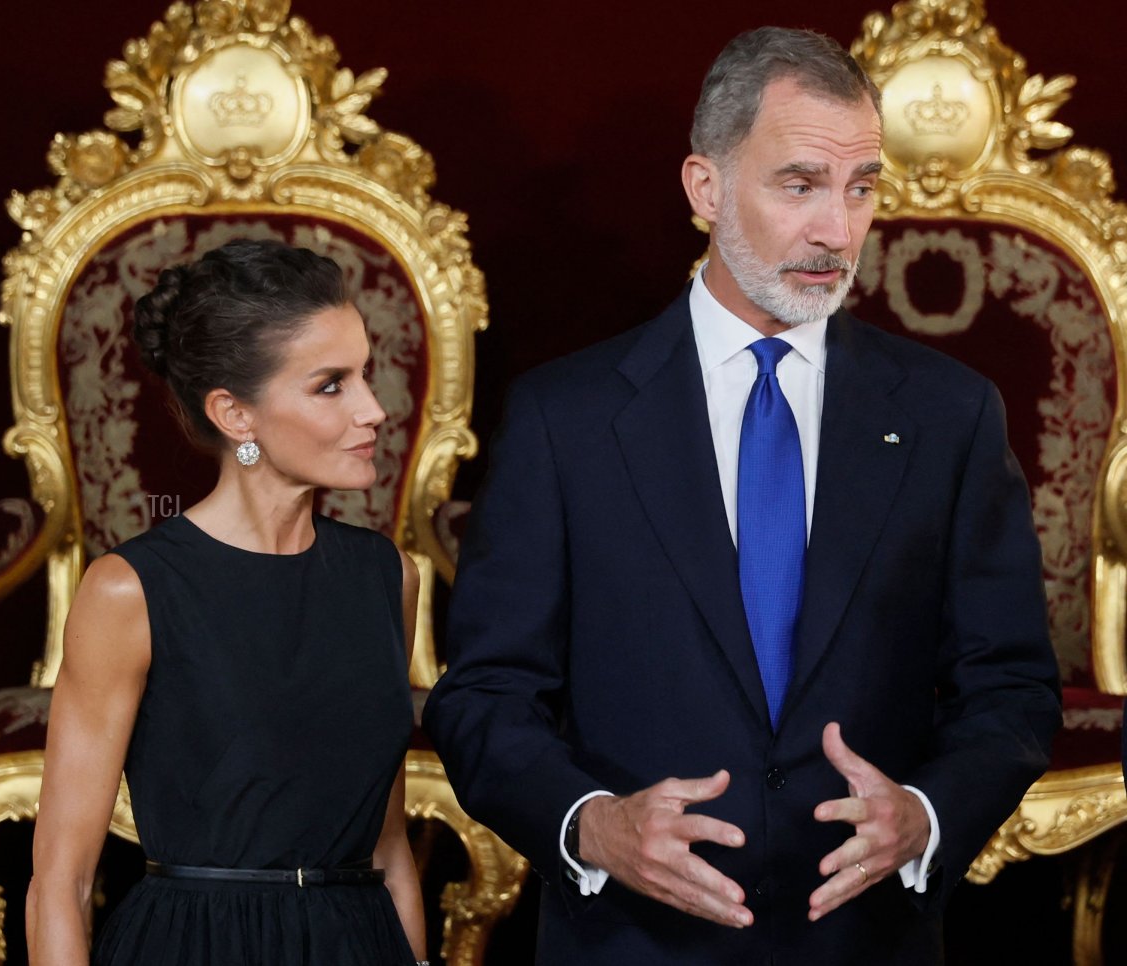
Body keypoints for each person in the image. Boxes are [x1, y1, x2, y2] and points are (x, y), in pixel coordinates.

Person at [424, 27, 1061, 965]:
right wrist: (592, 826)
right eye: (800, 184)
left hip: (864, 940)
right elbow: (483, 696)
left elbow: (1010, 687)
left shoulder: (947, 415)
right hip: (634, 943)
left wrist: (924, 817)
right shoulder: (569, 418)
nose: (837, 231)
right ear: (705, 188)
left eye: (861, 188)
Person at [26, 239, 429, 966]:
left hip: (357, 944)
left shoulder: (386, 578)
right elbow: (62, 880)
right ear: (235, 415)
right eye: (331, 385)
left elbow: (390, 846)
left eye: (366, 374)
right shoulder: (130, 591)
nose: (373, 409)